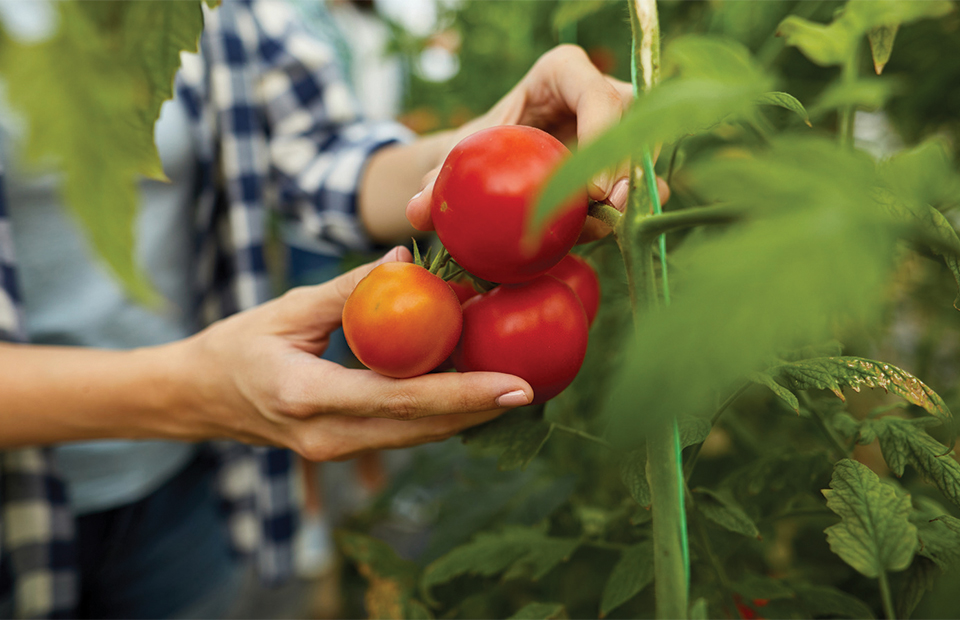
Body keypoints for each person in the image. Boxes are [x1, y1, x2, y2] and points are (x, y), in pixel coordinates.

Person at [0, 1, 650, 617]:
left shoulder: (221, 11)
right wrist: (191, 392)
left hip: (183, 491)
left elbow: (320, 154)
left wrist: (501, 148)